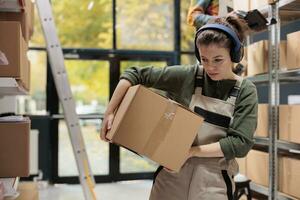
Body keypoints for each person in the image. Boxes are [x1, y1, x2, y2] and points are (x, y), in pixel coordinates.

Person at [100, 15, 258, 199]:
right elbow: (134, 74)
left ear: (234, 55)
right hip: (171, 177)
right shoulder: (189, 76)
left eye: (217, 60)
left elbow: (240, 144)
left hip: (213, 182)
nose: (210, 67)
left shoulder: (245, 91)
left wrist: (190, 152)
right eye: (204, 59)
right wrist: (109, 113)